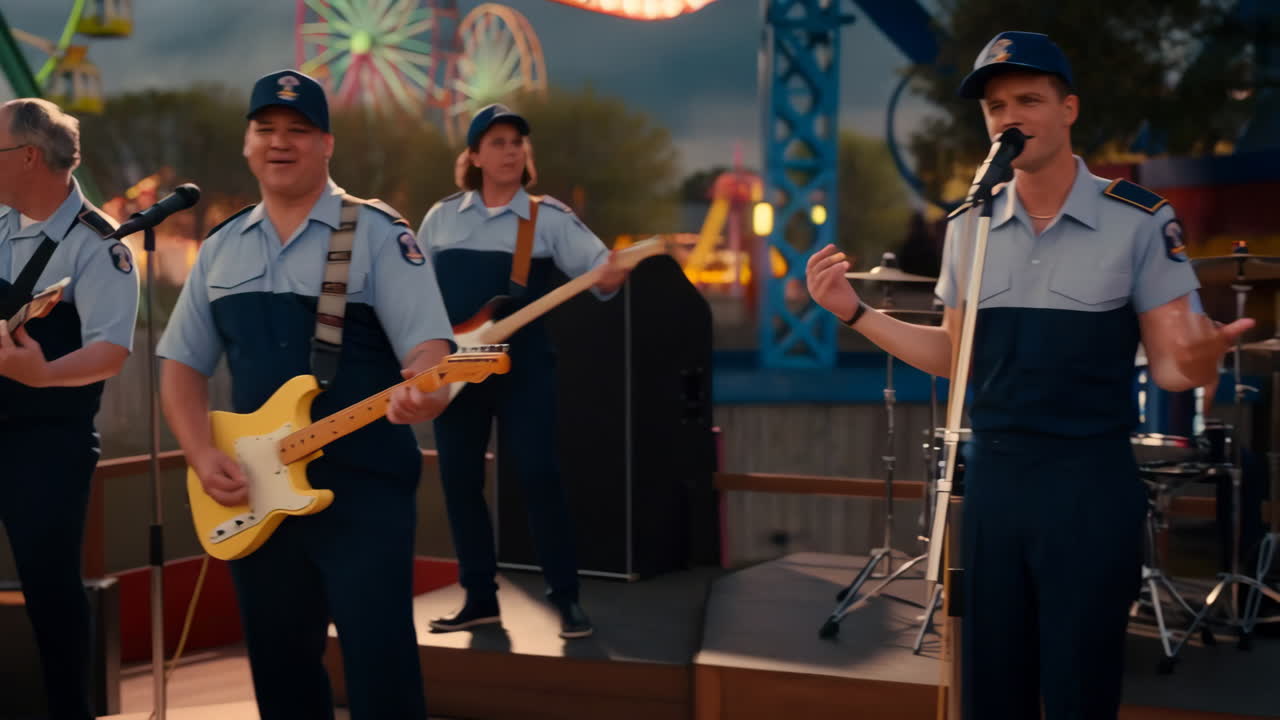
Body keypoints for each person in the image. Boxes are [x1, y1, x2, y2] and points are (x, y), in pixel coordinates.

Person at [805, 32, 1253, 719]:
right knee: (991, 688)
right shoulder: (970, 226)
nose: (1009, 115)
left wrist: (1203, 355)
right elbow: (956, 357)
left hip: (1087, 483)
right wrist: (855, 312)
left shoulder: (1138, 219)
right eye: (996, 105)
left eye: (1028, 99)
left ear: (1068, 108)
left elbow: (1171, 368)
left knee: (1078, 686)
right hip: (995, 485)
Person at [157, 70, 453, 720]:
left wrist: (425, 396)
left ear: (326, 144)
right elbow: (180, 366)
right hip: (258, 493)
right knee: (280, 670)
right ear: (247, 144)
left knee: (382, 672)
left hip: (365, 491)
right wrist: (203, 455)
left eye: (298, 131)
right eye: (266, 130)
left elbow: (431, 355)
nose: (279, 143)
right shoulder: (219, 250)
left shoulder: (377, 234)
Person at [417, 104, 630, 639]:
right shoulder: (440, 219)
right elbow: (414, 296)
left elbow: (601, 276)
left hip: (525, 367)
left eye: (517, 142)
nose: (510, 151)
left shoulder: (548, 217)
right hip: (457, 369)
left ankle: (566, 598)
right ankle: (480, 598)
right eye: (498, 142)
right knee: (460, 483)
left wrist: (611, 275)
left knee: (539, 478)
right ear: (474, 156)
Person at [0, 97, 138, 720]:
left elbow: (111, 350)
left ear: (27, 156)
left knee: (51, 591)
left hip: (47, 445)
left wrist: (45, 372)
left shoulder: (100, 244)